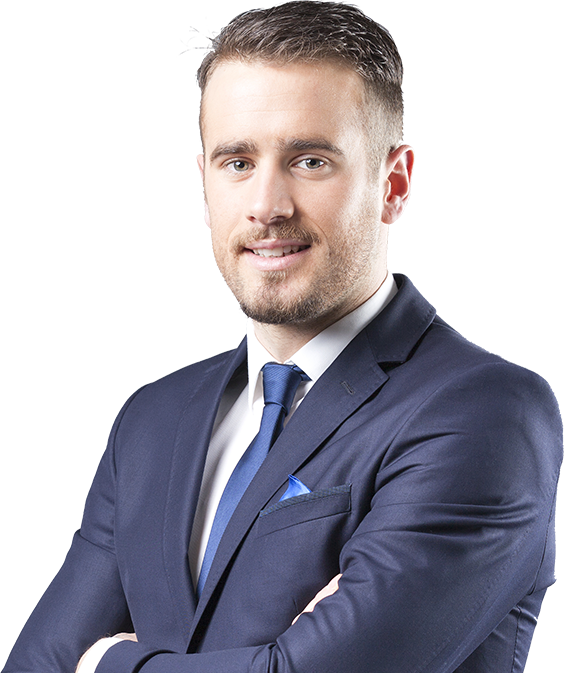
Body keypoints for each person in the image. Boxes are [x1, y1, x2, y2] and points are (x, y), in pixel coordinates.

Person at [3, 2, 562, 672]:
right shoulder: (152, 420)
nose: (266, 206)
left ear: (395, 183)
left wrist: (108, 664)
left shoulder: (483, 413)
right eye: (237, 162)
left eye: (310, 160)